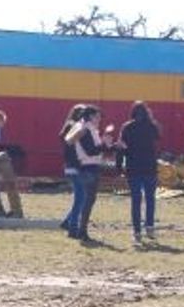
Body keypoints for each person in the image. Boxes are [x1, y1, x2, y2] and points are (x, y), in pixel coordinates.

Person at [65, 105, 113, 242]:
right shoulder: (86, 129)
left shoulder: (86, 128)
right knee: (88, 201)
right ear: (91, 116)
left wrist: (108, 146)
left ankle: (80, 230)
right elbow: (90, 151)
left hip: (88, 166)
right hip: (88, 167)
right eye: (98, 116)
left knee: (86, 200)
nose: (100, 119)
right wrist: (104, 145)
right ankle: (82, 231)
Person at [118, 101, 160, 246]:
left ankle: (137, 230)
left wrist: (119, 167)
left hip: (133, 167)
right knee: (150, 199)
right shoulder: (152, 126)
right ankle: (150, 227)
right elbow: (158, 138)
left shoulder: (127, 127)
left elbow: (121, 148)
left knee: (136, 200)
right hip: (149, 167)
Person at [59, 104, 87, 232]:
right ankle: (73, 225)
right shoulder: (77, 127)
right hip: (76, 166)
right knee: (81, 198)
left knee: (80, 197)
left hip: (70, 165)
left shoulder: (68, 126)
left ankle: (68, 221)